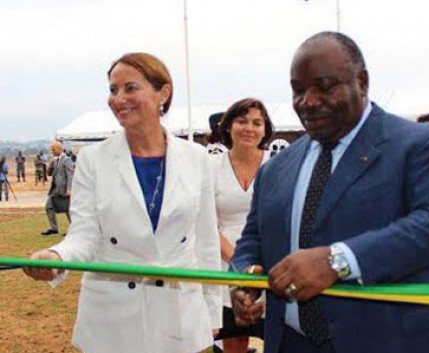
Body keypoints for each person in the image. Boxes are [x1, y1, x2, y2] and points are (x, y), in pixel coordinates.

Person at [230, 32, 429, 353]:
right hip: (290, 342)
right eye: (298, 90)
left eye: (325, 87)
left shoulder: (423, 144)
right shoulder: (276, 168)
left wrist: (336, 261)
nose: (309, 101)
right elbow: (254, 238)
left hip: (390, 342)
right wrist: (242, 278)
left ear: (363, 82)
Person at [24, 52, 222, 353]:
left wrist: (212, 309)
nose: (118, 98)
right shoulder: (93, 160)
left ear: (163, 93)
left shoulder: (197, 159)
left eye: (130, 88)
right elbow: (85, 234)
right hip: (113, 318)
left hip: (178, 313)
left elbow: (206, 241)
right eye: (113, 89)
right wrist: (57, 255)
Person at [212, 98, 273, 353]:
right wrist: (239, 264)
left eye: (257, 123)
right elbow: (205, 223)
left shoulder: (279, 164)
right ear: (227, 126)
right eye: (242, 121)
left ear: (265, 129)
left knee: (278, 339)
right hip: (225, 266)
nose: (250, 128)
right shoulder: (211, 166)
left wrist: (257, 267)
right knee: (234, 342)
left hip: (270, 266)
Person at [40, 141, 74, 236]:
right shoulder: (55, 160)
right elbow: (49, 174)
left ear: (59, 149)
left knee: (68, 210)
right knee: (49, 207)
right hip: (54, 189)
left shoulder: (67, 160)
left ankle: (74, 229)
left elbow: (70, 175)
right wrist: (50, 164)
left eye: (53, 149)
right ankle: (54, 228)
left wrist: (69, 189)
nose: (52, 151)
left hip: (64, 190)